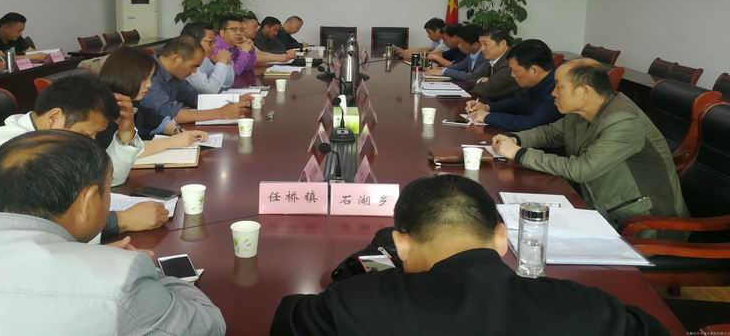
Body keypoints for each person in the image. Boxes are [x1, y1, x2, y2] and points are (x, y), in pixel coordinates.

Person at [272, 175, 667, 336]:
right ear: (501, 238)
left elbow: (290, 317)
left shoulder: (358, 305)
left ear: (402, 244)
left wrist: (366, 274)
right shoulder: (586, 309)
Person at [0, 130, 226, 336]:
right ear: (87, 201)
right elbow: (208, 325)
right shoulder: (120, 281)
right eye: (107, 191)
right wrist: (148, 272)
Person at [0, 74, 162, 241]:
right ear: (54, 117)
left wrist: (125, 133)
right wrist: (120, 221)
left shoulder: (48, 141)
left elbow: (110, 181)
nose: (90, 143)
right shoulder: (14, 153)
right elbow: (34, 225)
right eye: (86, 134)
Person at [492, 60, 689, 230]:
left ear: (584, 91)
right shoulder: (583, 110)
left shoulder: (624, 122)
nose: (553, 93)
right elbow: (550, 133)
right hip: (597, 206)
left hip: (643, 224)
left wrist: (520, 154)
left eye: (559, 87)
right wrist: (514, 139)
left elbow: (582, 169)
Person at [98, 46, 208, 156]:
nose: (149, 85)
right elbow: (121, 151)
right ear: (127, 76)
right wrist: (172, 141)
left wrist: (181, 133)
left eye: (150, 79)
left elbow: (154, 120)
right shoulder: (103, 108)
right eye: (144, 79)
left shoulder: (132, 101)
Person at [141, 35, 250, 124]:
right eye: (193, 66)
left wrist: (234, 100)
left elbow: (196, 98)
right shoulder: (147, 73)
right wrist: (221, 113)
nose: (194, 72)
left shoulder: (175, 73)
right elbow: (170, 113)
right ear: (177, 59)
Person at [465, 39, 563, 131]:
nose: (512, 75)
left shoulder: (556, 90)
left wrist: (487, 117)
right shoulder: (538, 82)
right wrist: (487, 107)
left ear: (534, 70)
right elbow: (518, 104)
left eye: (516, 71)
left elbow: (531, 124)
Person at [181, 22, 235, 93]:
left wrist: (226, 63)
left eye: (214, 41)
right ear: (193, 41)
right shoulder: (185, 61)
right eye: (210, 42)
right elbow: (210, 90)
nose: (214, 46)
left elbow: (227, 83)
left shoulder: (204, 59)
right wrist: (221, 63)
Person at [469, 28, 521, 101]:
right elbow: (471, 78)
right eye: (480, 45)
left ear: (502, 44)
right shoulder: (492, 58)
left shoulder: (512, 62)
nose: (482, 49)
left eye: (485, 44)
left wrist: (486, 84)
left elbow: (487, 90)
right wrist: (481, 80)